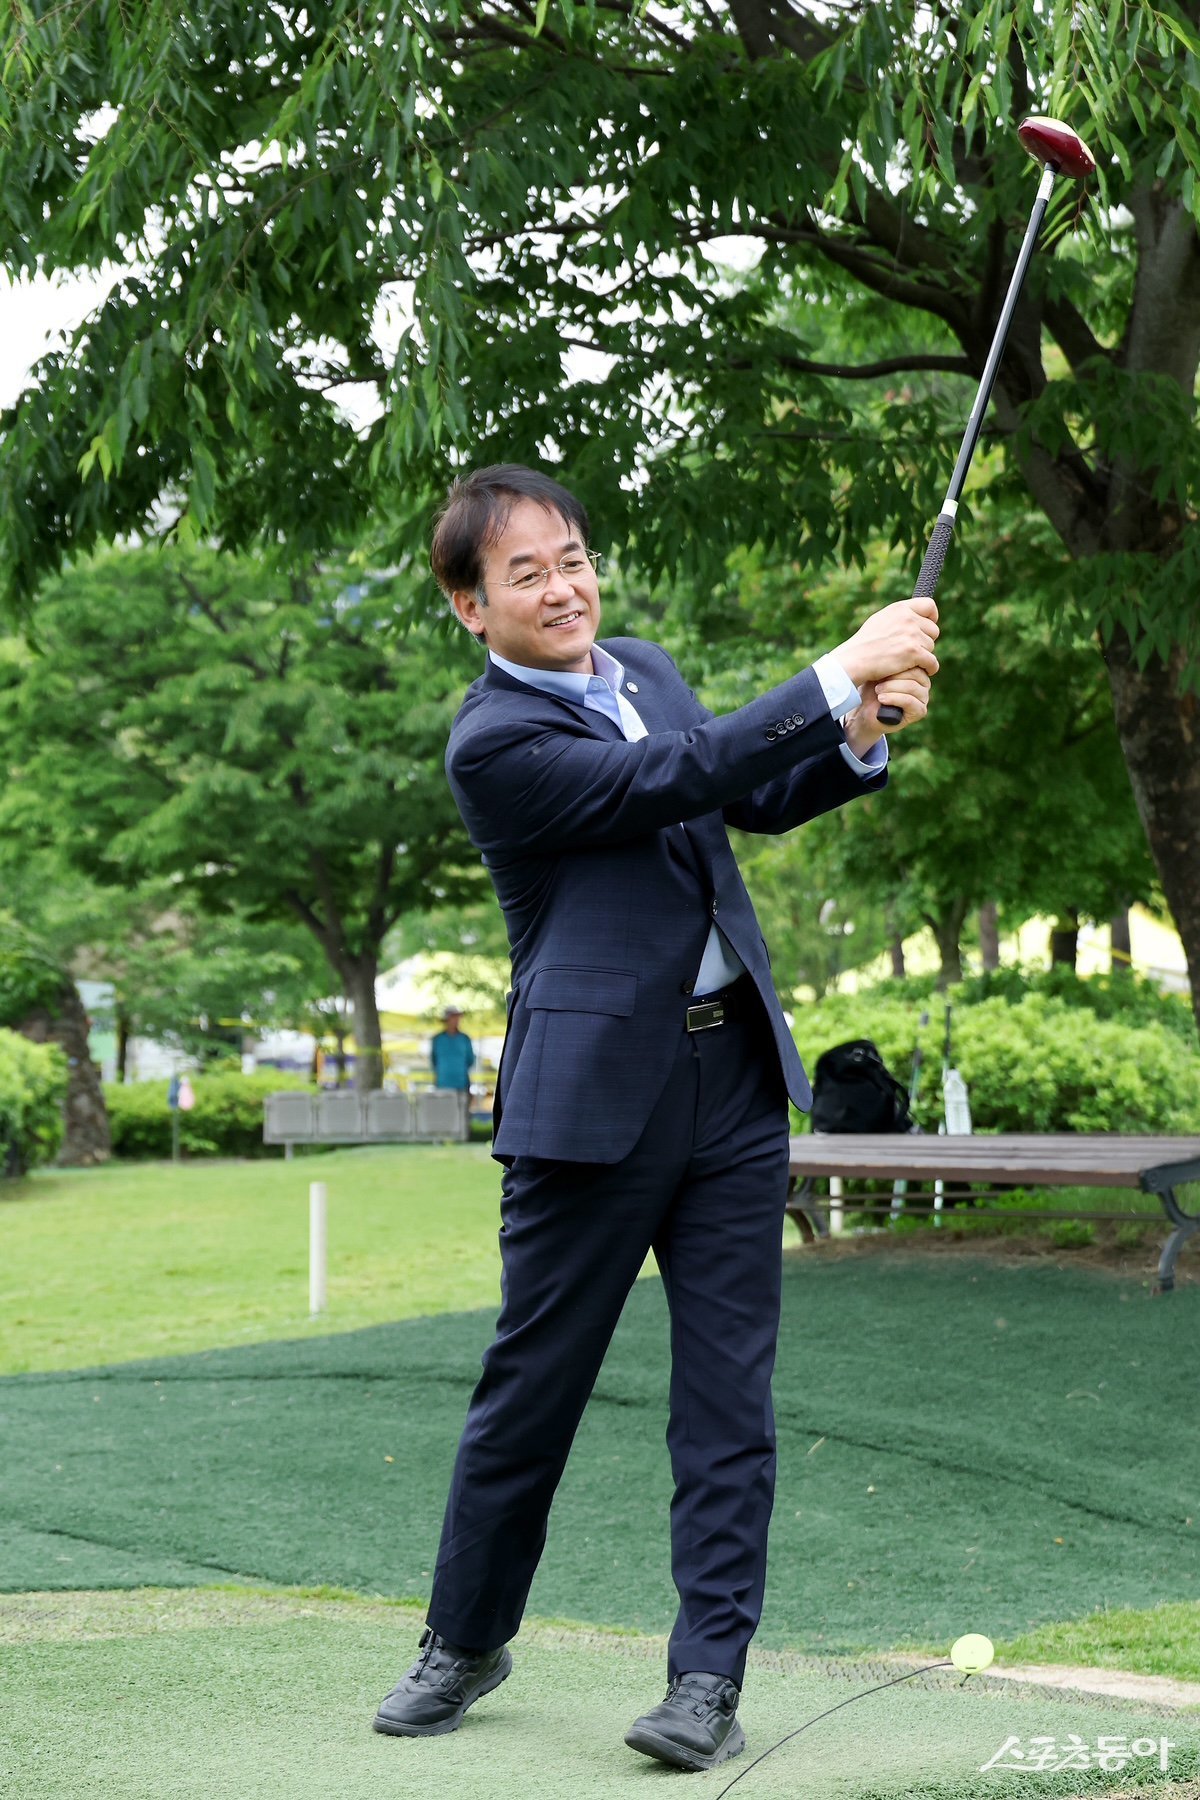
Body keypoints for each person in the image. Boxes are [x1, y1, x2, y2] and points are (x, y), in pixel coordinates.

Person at [372, 464, 938, 1771]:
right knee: (535, 1386)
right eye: (526, 573)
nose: (564, 588)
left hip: (733, 1082)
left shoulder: (647, 666)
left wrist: (859, 729)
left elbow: (750, 792)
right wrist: (833, 668)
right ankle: (466, 1639)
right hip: (590, 1104)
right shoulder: (493, 742)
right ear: (470, 606)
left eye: (572, 558)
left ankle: (706, 1682)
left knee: (729, 1396)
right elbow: (670, 778)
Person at [429, 1006, 474, 1093]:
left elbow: (470, 1060)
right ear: (446, 1020)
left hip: (462, 1084)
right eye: (453, 1017)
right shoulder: (437, 1039)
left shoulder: (465, 1039)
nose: (456, 1020)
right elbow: (434, 1060)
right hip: (442, 1084)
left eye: (458, 1017)